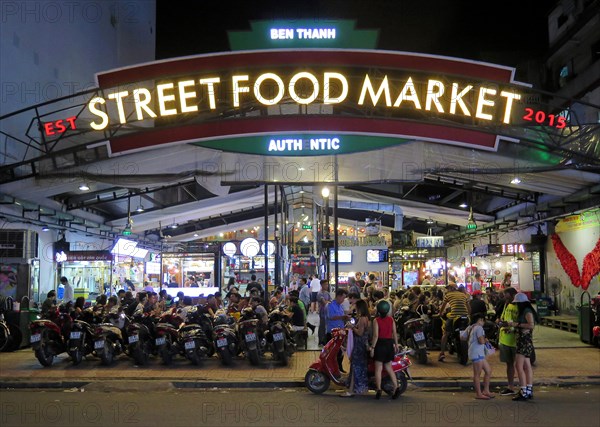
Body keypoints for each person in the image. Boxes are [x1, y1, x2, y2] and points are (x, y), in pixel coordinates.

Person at [370, 299, 401, 400]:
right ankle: (396, 387)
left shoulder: (376, 320)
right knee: (389, 367)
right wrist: (396, 344)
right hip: (389, 344)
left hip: (380, 344)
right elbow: (394, 333)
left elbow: (375, 336)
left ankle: (379, 390)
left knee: (378, 368)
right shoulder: (391, 319)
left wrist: (372, 347)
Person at [511, 293, 539, 401]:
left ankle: (523, 391)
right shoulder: (525, 310)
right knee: (527, 366)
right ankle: (529, 389)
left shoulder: (527, 311)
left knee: (518, 366)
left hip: (524, 340)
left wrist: (516, 324)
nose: (516, 305)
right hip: (524, 340)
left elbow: (531, 325)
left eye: (517, 303)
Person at [341, 299, 370, 397]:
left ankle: (351, 390)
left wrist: (352, 327)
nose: (355, 310)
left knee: (355, 367)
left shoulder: (362, 319)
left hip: (359, 346)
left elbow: (360, 333)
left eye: (356, 308)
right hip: (361, 345)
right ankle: (355, 388)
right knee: (357, 367)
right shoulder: (366, 318)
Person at [438, 282, 470, 362]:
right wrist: (468, 314)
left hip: (454, 317)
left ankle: (442, 353)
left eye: (448, 288)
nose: (447, 290)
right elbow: (469, 308)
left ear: (452, 288)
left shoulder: (448, 295)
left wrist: (440, 313)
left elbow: (443, 306)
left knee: (445, 333)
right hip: (465, 317)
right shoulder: (463, 295)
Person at [467, 313, 495, 399]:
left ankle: (486, 391)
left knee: (488, 370)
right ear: (480, 320)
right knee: (477, 374)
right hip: (477, 353)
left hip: (478, 353)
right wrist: (485, 340)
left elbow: (462, 337)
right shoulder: (479, 328)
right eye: (483, 320)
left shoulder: (470, 327)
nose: (484, 322)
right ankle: (479, 394)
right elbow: (481, 341)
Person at [497, 287, 519, 396]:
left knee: (520, 365)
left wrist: (512, 327)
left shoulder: (520, 306)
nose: (504, 297)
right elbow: (503, 318)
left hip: (516, 341)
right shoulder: (506, 304)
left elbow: (524, 323)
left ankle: (524, 387)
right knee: (509, 365)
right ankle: (511, 386)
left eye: (506, 295)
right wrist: (500, 322)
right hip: (505, 340)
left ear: (512, 295)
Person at [326, 288, 349, 373]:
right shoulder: (330, 305)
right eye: (343, 297)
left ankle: (339, 368)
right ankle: (332, 369)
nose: (343, 300)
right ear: (338, 296)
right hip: (332, 333)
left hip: (340, 332)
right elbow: (331, 317)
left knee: (340, 351)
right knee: (334, 352)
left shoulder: (340, 306)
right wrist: (342, 317)